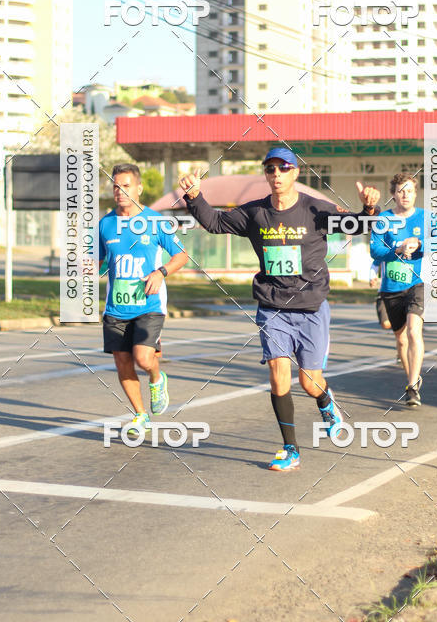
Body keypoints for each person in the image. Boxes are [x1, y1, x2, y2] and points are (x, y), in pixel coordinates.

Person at [179, 147, 380, 471]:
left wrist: (370, 208)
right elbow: (215, 222)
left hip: (311, 306)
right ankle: (291, 449)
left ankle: (326, 402)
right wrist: (194, 197)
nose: (276, 175)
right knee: (278, 375)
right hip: (272, 306)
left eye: (283, 169)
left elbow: (359, 226)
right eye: (270, 169)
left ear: (295, 173)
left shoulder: (316, 209)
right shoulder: (256, 213)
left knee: (310, 382)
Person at [99, 163, 189, 433]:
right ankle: (140, 415)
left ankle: (156, 376)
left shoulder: (155, 221)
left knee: (142, 358)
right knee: (122, 361)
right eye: (116, 186)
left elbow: (181, 255)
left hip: (148, 304)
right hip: (116, 307)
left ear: (138, 188)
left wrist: (161, 272)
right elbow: (100, 262)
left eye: (126, 186)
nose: (120, 191)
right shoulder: (105, 224)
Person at [370, 173, 424, 407]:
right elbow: (375, 252)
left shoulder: (424, 217)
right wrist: (398, 250)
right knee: (401, 340)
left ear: (415, 193)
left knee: (414, 332)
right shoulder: (383, 219)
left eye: (409, 190)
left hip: (415, 284)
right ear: (393, 194)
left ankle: (412, 387)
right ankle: (411, 376)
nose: (405, 194)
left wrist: (420, 244)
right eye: (400, 190)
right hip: (390, 288)